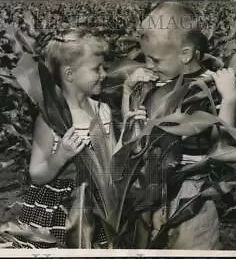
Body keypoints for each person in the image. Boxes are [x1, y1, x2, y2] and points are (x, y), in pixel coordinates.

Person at [122, 1, 236, 249]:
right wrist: (127, 92)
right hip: (153, 191)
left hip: (193, 197)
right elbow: (132, 135)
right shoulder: (157, 83)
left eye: (155, 60)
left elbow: (224, 145)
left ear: (185, 55)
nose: (148, 66)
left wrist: (229, 100)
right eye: (145, 58)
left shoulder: (208, 88)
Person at [16, 28, 146, 249]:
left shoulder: (102, 110)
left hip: (98, 205)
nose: (105, 74)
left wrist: (130, 130)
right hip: (59, 212)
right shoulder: (50, 121)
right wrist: (60, 156)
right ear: (69, 75)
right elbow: (36, 174)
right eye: (97, 68)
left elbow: (113, 164)